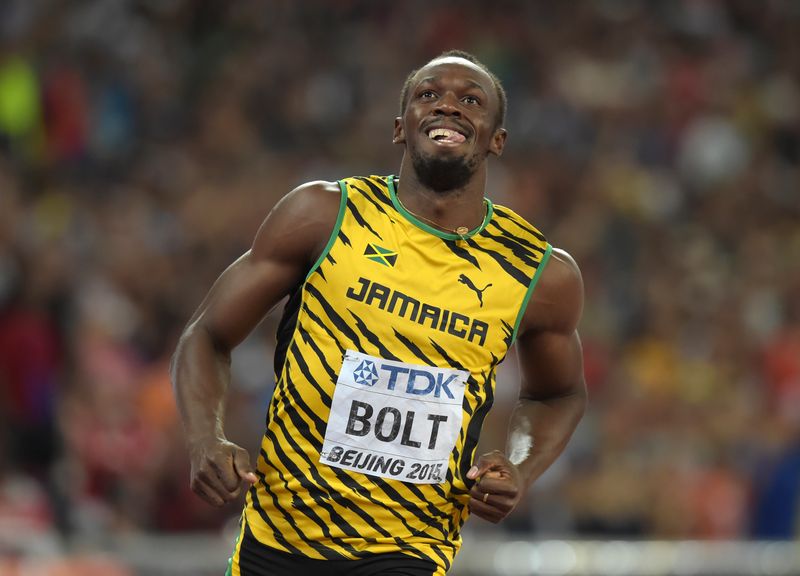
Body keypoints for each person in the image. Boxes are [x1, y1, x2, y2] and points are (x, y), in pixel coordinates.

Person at [171, 50, 587, 576]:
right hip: (279, 535)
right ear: (400, 128)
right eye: (428, 95)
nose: (449, 107)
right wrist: (205, 437)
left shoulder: (540, 273)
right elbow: (206, 335)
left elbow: (560, 393)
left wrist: (521, 469)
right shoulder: (323, 215)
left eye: (471, 100)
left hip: (410, 549)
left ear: (497, 139)